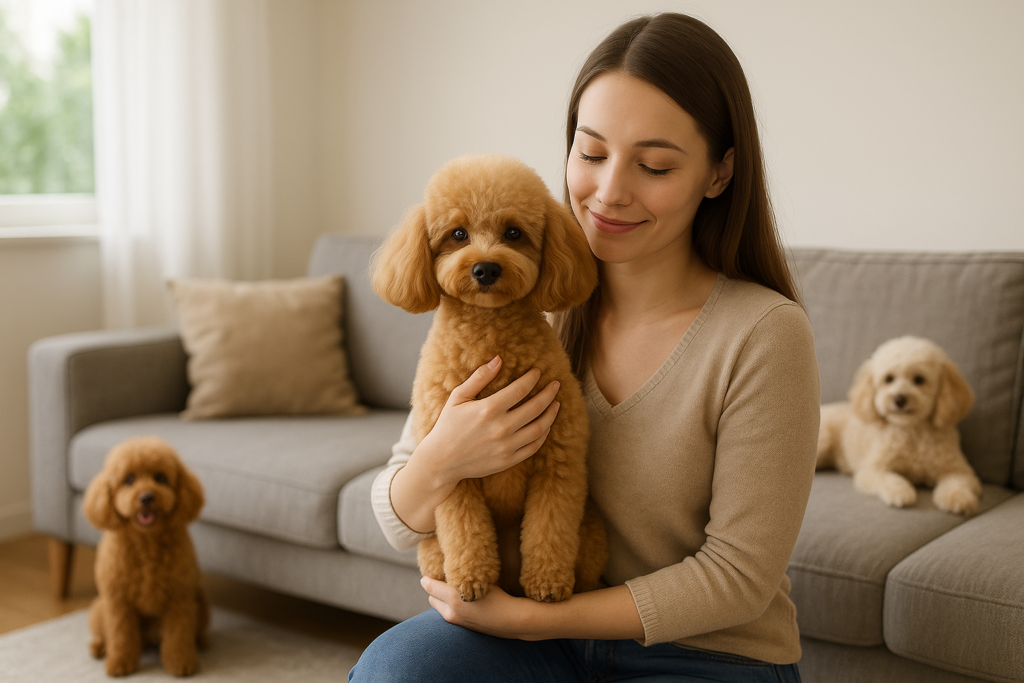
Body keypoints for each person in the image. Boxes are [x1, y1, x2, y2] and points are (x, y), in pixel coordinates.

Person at [350, 12, 819, 683]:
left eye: (653, 164)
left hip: (709, 651)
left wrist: (535, 619)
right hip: (535, 638)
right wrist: (444, 457)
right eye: (591, 153)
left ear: (719, 173)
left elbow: (739, 577)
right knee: (395, 673)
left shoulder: (763, 333)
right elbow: (398, 516)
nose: (609, 191)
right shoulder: (522, 306)